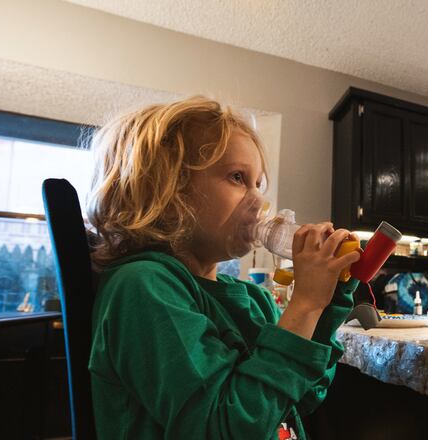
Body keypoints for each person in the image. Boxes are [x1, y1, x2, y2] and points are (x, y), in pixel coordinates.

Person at [86, 96, 361, 439]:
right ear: (168, 190)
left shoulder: (255, 299)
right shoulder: (144, 287)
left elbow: (303, 394)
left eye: (258, 184)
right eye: (236, 177)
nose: (259, 200)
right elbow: (221, 429)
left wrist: (324, 304)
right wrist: (305, 303)